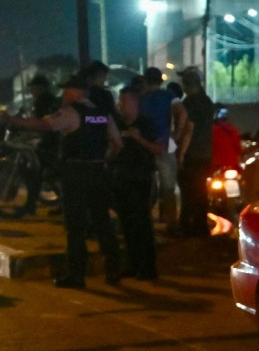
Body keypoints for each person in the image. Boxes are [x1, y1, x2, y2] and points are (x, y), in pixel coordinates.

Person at [0, 71, 123, 288]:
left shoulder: (70, 112)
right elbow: (117, 143)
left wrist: (11, 119)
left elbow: (45, 125)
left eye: (67, 89)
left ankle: (76, 275)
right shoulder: (102, 114)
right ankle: (113, 269)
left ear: (77, 92)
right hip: (97, 172)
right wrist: (103, 159)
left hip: (76, 173)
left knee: (75, 225)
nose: (64, 93)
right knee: (102, 220)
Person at [113, 86, 161, 280]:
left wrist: (138, 138)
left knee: (141, 224)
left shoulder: (146, 124)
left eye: (123, 101)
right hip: (121, 177)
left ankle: (148, 268)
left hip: (140, 179)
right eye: (119, 101)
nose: (120, 104)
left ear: (134, 103)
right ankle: (133, 265)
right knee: (126, 224)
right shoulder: (118, 124)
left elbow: (158, 149)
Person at [138, 67, 187, 230]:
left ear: (145, 80)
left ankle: (144, 223)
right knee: (168, 189)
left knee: (146, 187)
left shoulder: (142, 98)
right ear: (161, 80)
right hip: (165, 145)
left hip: (145, 146)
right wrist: (177, 133)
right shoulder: (169, 96)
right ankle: (171, 224)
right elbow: (183, 114)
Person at [175, 66, 214, 237]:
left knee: (188, 191)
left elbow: (189, 129)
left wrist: (181, 153)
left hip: (192, 153)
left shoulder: (189, 103)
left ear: (187, 85)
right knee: (201, 190)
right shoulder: (207, 101)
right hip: (205, 153)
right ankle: (201, 225)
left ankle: (188, 226)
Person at [16, 74, 61, 217]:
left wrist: (27, 129)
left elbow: (40, 123)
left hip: (49, 142)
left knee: (34, 174)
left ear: (39, 88)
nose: (31, 90)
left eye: (33, 88)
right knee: (50, 173)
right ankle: (62, 202)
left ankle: (30, 206)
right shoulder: (49, 99)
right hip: (52, 141)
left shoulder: (43, 100)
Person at [210, 105, 243, 174]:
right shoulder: (232, 129)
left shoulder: (211, 131)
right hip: (232, 164)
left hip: (217, 165)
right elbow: (238, 148)